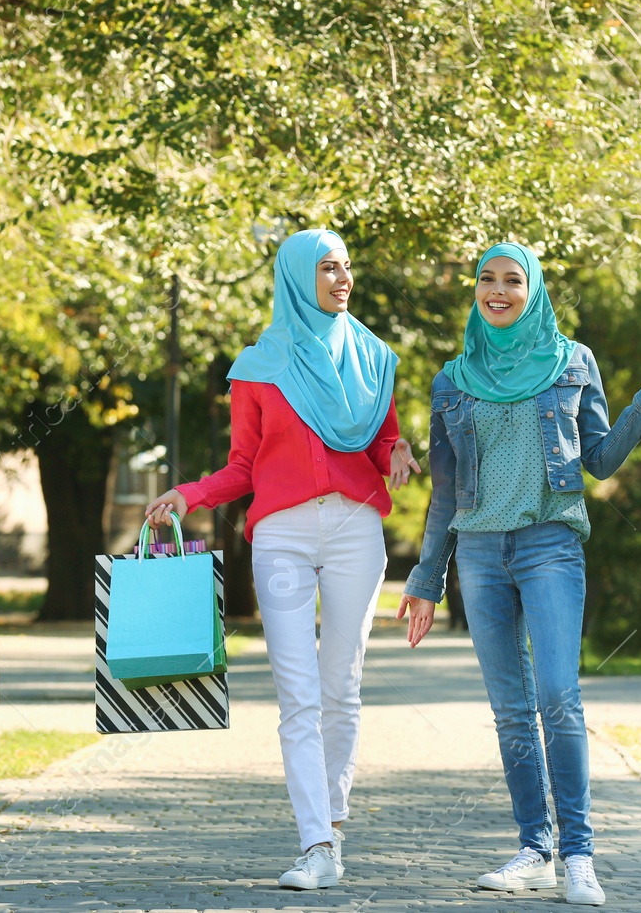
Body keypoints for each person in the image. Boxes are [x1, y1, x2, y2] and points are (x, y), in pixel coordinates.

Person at [397, 242, 641, 907]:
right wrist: (424, 577)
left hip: (549, 544)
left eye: (512, 281)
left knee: (558, 694)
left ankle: (580, 853)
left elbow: (600, 459)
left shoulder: (572, 362)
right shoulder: (452, 379)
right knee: (510, 710)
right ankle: (535, 848)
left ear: (534, 291)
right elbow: (445, 492)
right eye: (486, 280)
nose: (497, 291)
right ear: (475, 289)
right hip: (477, 554)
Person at [145, 229, 421, 891]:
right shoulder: (258, 366)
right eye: (328, 268)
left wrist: (399, 453)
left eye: (347, 266)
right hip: (283, 535)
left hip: (357, 529)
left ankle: (337, 823)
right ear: (298, 276)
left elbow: (381, 440)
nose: (342, 278)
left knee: (341, 686)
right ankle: (316, 844)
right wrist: (191, 492)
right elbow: (244, 465)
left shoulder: (374, 357)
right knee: (298, 694)